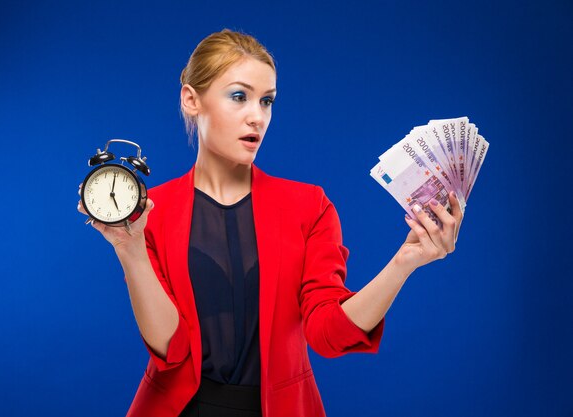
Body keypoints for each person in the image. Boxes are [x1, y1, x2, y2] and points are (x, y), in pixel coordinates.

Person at [77, 28, 463, 417]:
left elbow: (328, 334)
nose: (257, 116)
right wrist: (131, 250)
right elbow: (172, 350)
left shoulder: (308, 206)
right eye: (239, 96)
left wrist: (404, 263)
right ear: (192, 100)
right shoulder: (151, 211)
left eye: (267, 101)